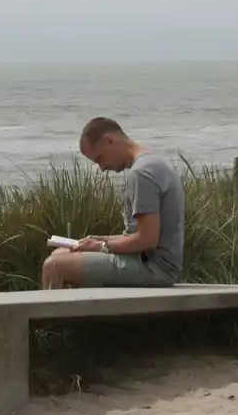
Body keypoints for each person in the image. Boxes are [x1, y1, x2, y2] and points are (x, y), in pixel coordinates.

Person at [41, 117, 186, 289]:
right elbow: (138, 235)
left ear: (109, 141)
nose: (102, 168)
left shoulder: (142, 174)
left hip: (155, 268)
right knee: (61, 253)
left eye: (99, 159)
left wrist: (101, 246)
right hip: (151, 261)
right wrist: (96, 240)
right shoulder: (154, 162)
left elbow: (147, 240)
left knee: (54, 266)